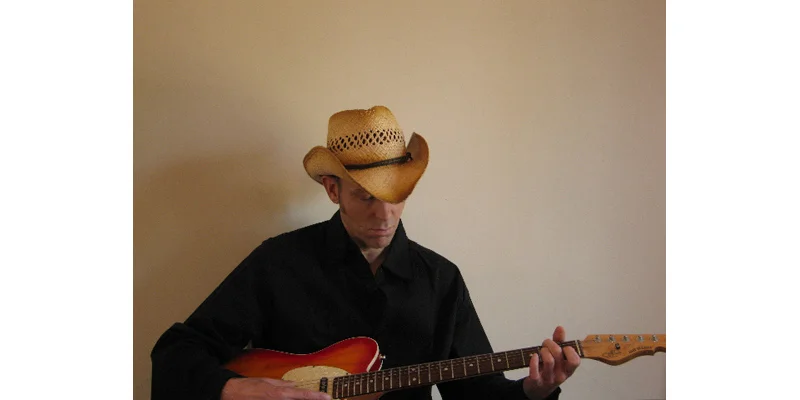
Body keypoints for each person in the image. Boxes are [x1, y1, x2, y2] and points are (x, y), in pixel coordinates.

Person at [150, 106, 580, 400]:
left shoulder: (440, 280)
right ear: (332, 189)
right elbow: (175, 353)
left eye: (397, 196)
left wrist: (535, 390)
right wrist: (235, 388)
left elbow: (477, 394)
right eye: (366, 196)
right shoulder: (278, 262)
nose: (385, 214)